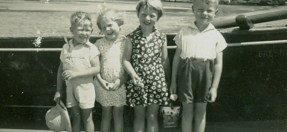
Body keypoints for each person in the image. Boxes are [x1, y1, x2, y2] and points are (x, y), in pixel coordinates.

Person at [170, 0, 227, 132]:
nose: (204, 13)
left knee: (201, 113)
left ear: (216, 13)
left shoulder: (217, 36)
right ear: (193, 10)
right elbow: (176, 59)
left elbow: (218, 64)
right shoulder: (184, 31)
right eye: (200, 10)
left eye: (209, 10)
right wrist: (173, 82)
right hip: (186, 76)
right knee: (187, 112)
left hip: (205, 77)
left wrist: (214, 87)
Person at [123, 0, 170, 132]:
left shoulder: (162, 37)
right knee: (139, 116)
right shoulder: (130, 37)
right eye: (143, 14)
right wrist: (133, 75)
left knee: (152, 116)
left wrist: (167, 82)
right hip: (138, 82)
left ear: (158, 17)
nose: (147, 18)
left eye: (152, 15)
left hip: (156, 82)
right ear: (138, 14)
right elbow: (126, 60)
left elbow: (164, 61)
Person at [54, 11, 100, 132]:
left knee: (87, 118)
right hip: (70, 90)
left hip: (86, 90)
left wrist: (76, 74)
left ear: (92, 31)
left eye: (87, 30)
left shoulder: (91, 48)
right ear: (72, 30)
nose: (84, 33)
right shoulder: (65, 47)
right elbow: (60, 70)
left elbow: (96, 69)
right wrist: (58, 90)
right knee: (75, 118)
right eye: (80, 29)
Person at [94, 9, 127, 132]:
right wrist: (101, 81)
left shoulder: (126, 42)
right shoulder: (98, 43)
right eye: (103, 27)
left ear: (119, 24)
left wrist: (121, 80)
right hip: (103, 85)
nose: (107, 29)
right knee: (106, 115)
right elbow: (95, 67)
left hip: (120, 84)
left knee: (118, 115)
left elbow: (129, 65)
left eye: (110, 25)